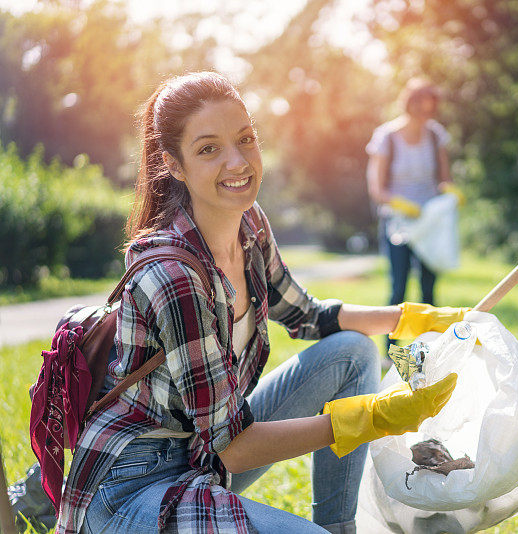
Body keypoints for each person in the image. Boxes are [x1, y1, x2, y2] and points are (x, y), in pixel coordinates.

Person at [13, 71, 469, 534]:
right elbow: (236, 446)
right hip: (134, 487)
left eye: (246, 139)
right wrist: (372, 416)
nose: (238, 162)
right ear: (173, 164)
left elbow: (307, 315)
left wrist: (413, 318)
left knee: (351, 351)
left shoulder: (249, 224)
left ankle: (338, 526)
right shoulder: (174, 277)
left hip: (202, 454)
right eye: (208, 149)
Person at [366, 78, 462, 348]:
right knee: (399, 288)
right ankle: (390, 350)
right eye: (420, 107)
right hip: (398, 222)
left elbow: (444, 178)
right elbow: (377, 188)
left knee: (429, 289)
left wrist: (451, 192)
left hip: (429, 222)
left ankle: (432, 349)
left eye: (430, 109)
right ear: (409, 104)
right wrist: (401, 203)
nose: (425, 114)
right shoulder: (387, 137)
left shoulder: (435, 135)